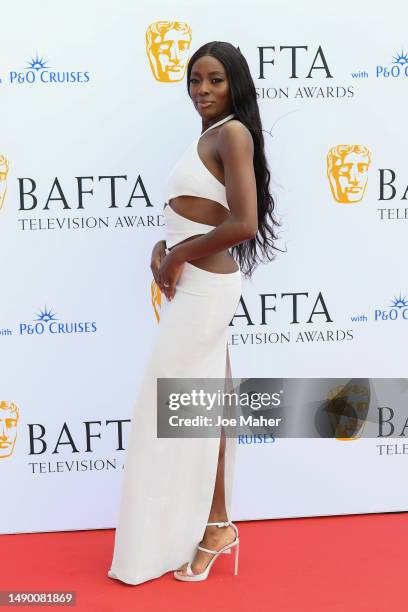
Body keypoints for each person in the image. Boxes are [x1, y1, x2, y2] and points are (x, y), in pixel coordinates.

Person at [108, 41, 279, 585]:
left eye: (215, 81)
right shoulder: (206, 137)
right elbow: (193, 215)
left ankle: (191, 533)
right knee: (205, 410)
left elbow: (244, 222)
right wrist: (163, 249)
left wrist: (178, 253)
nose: (202, 90)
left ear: (235, 85)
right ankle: (215, 526)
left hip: (206, 288)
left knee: (171, 413)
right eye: (194, 80)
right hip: (193, 285)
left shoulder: (232, 133)